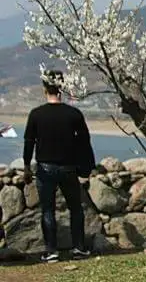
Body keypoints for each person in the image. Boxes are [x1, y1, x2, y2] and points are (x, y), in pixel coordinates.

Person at [23, 70, 95, 263]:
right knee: (76, 209)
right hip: (68, 168)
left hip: (45, 169)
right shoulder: (74, 114)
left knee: (47, 210)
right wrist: (86, 168)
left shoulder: (36, 114)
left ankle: (51, 251)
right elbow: (84, 143)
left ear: (44, 89)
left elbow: (29, 141)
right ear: (62, 87)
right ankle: (79, 248)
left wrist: (26, 167)